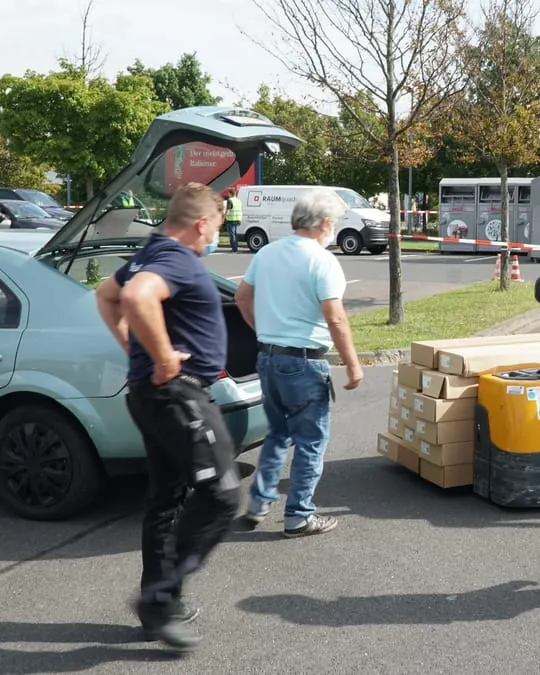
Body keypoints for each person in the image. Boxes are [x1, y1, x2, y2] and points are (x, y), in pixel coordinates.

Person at [95, 182, 242, 651]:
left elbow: (105, 294)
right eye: (217, 226)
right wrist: (160, 358)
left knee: (167, 501)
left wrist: (134, 353)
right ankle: (158, 601)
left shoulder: (150, 251)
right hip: (177, 396)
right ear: (202, 224)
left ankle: (160, 603)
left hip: (151, 396)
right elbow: (136, 297)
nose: (216, 236)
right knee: (220, 495)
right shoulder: (177, 258)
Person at [234, 187, 363, 538]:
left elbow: (241, 296)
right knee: (310, 441)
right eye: (334, 222)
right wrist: (352, 363)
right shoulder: (322, 260)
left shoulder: (267, 253)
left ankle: (259, 504)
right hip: (305, 363)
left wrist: (263, 330)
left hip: (268, 357)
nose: (335, 228)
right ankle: (299, 516)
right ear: (324, 223)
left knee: (278, 434)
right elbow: (335, 318)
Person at [225, 187, 242, 252]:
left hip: (231, 219)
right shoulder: (238, 200)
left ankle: (234, 248)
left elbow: (228, 210)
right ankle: (236, 247)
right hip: (237, 219)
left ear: (230, 193)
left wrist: (224, 217)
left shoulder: (230, 200)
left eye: (228, 193)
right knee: (235, 234)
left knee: (232, 234)